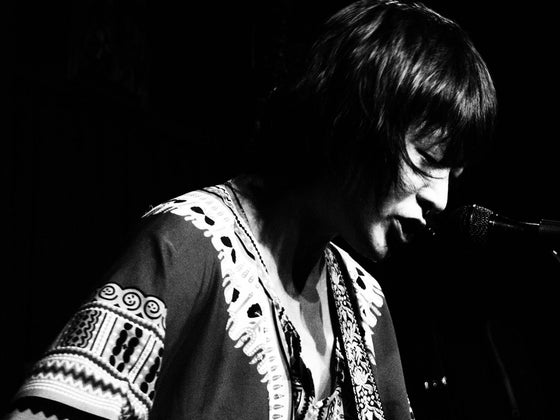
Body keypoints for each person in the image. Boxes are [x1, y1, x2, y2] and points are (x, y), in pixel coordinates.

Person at [4, 0, 496, 419]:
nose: (441, 199)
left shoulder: (366, 305)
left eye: (451, 174)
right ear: (355, 123)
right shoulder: (188, 246)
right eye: (425, 159)